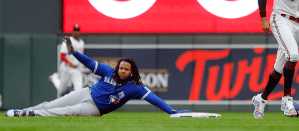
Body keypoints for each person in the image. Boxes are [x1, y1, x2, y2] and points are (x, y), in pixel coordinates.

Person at [5, 36, 190, 117]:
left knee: (67, 112)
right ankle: (25, 111)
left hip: (95, 108)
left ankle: (33, 114)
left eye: (126, 69)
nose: (123, 71)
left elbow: (155, 100)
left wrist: (172, 111)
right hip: (87, 93)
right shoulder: (109, 71)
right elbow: (88, 62)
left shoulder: (135, 87)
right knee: (53, 104)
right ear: (117, 68)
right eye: (121, 68)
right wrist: (73, 52)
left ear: (132, 72)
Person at [49, 24, 85, 97]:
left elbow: (81, 57)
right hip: (66, 68)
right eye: (75, 31)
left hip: (76, 69)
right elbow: (62, 56)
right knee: (61, 90)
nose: (76, 33)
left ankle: (78, 107)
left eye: (77, 31)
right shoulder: (68, 41)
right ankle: (54, 78)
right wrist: (70, 63)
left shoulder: (81, 43)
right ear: (72, 32)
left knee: (79, 89)